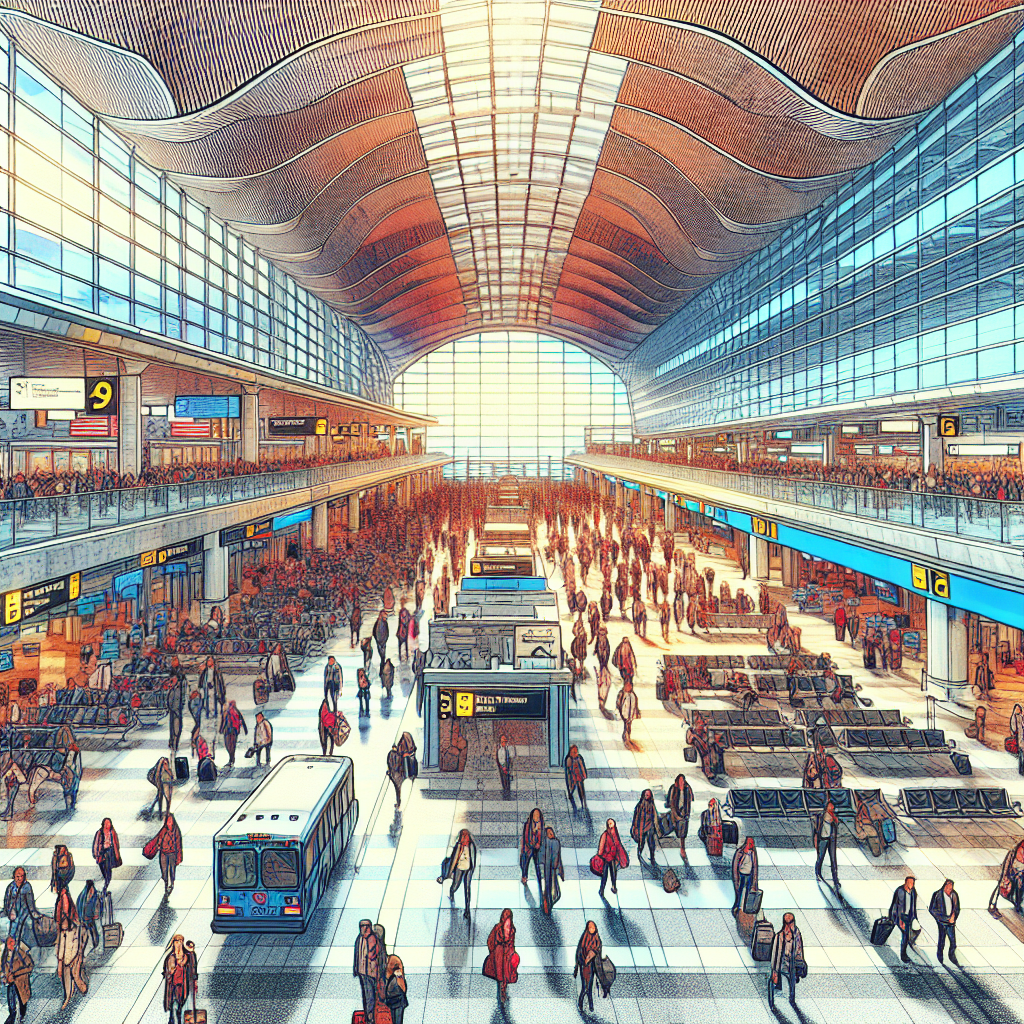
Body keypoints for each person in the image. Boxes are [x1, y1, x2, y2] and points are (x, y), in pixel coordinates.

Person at [54, 887, 86, 1009]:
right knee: (67, 979)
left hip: (73, 957)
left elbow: (76, 946)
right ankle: (68, 997)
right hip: (66, 959)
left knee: (75, 976)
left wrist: (72, 958)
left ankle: (82, 990)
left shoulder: (74, 932)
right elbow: (61, 947)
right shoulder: (63, 934)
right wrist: (60, 961)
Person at [768, 912, 804, 1009]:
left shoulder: (797, 934)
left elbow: (799, 949)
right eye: (788, 923)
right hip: (782, 964)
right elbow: (775, 955)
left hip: (792, 964)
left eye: (791, 922)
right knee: (777, 983)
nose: (790, 925)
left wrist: (800, 963)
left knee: (792, 983)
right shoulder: (779, 936)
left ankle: (791, 999)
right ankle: (773, 1003)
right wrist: (774, 971)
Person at [439, 829, 476, 920]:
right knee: (455, 885)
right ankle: (451, 894)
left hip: (468, 869)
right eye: (463, 836)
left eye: (465, 836)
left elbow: (473, 859)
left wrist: (471, 870)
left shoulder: (471, 846)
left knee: (467, 889)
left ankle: (467, 909)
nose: (464, 838)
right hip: (459, 868)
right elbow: (454, 860)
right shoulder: (458, 846)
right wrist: (448, 874)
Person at [483, 908, 518, 1004]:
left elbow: (512, 943)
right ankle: (502, 989)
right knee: (501, 973)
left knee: (505, 973)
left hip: (506, 953)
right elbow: (490, 940)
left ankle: (503, 989)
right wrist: (494, 951)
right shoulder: (498, 928)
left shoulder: (512, 929)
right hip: (499, 954)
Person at [162, 933, 197, 1024]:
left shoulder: (186, 956)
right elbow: (167, 971)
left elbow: (193, 968)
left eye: (180, 941)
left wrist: (191, 952)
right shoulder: (170, 957)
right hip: (173, 987)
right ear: (173, 943)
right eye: (177, 941)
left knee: (179, 1008)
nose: (179, 944)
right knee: (174, 1007)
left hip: (183, 986)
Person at [353, 919, 383, 1021]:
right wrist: (356, 969)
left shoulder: (372, 939)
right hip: (362, 973)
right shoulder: (359, 939)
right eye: (362, 926)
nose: (364, 929)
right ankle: (369, 1017)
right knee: (366, 996)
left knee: (371, 997)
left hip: (371, 973)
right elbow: (357, 954)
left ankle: (371, 1019)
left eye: (366, 926)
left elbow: (373, 954)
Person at [989, 838, 1024, 917]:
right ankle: (992, 906)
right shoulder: (1019, 849)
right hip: (1014, 867)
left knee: (1020, 887)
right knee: (1002, 882)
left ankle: (1018, 907)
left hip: (1019, 870)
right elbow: (1017, 859)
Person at [3, 871, 39, 948]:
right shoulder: (11, 886)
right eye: (17, 876)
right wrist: (9, 911)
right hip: (13, 911)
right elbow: (7, 901)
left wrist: (33, 913)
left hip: (24, 911)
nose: (19, 878)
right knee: (13, 925)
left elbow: (30, 902)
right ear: (14, 876)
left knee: (20, 925)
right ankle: (11, 944)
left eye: (21, 876)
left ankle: (16, 944)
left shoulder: (27, 886)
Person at [929, 878, 960, 966]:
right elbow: (932, 909)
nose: (949, 891)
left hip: (951, 922)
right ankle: (940, 956)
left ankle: (951, 956)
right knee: (941, 940)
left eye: (951, 889)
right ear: (944, 887)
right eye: (948, 889)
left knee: (953, 942)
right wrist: (943, 919)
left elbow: (957, 908)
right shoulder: (937, 895)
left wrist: (954, 916)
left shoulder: (954, 895)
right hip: (942, 922)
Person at [1, 934, 32, 1024]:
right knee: (11, 1004)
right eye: (10, 942)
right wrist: (4, 976)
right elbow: (3, 967)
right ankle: (12, 1019)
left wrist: (16, 974)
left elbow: (29, 967)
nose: (12, 944)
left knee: (22, 1002)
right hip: (10, 982)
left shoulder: (20, 953)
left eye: (13, 942)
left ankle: (22, 1017)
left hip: (20, 981)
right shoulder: (5, 954)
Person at [889, 875, 919, 963]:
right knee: (905, 935)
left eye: (913, 883)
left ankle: (909, 941)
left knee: (916, 931)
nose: (912, 884)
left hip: (909, 916)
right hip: (900, 916)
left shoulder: (913, 891)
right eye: (910, 883)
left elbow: (914, 905)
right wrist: (898, 920)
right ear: (906, 883)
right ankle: (903, 955)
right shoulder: (900, 891)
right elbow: (895, 905)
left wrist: (914, 917)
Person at [151, 814, 183, 896]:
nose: (169, 823)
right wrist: (158, 846)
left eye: (170, 821)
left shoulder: (176, 831)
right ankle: (166, 882)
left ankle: (171, 883)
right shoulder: (163, 830)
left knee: (172, 869)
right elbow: (159, 839)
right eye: (168, 821)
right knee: (164, 870)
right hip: (164, 853)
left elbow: (179, 845)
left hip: (172, 853)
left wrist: (179, 857)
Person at [574, 921, 602, 1015]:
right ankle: (581, 1004)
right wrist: (581, 962)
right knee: (584, 987)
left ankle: (590, 1005)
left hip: (592, 967)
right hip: (584, 966)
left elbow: (598, 952)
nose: (592, 929)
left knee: (589, 987)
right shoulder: (584, 938)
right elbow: (579, 952)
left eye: (593, 928)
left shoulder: (597, 940)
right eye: (590, 928)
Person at [813, 800, 841, 890]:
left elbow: (835, 823)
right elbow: (827, 821)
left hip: (831, 839)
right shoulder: (824, 816)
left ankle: (835, 879)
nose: (832, 808)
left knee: (833, 859)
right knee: (820, 857)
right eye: (830, 806)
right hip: (823, 839)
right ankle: (818, 873)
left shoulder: (833, 816)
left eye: (832, 807)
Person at [597, 818, 628, 897]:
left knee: (613, 873)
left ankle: (613, 887)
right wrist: (601, 855)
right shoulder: (605, 834)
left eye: (612, 823)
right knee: (605, 875)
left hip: (613, 857)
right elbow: (601, 846)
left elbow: (618, 844)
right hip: (606, 858)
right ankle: (602, 889)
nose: (611, 825)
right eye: (609, 823)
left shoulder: (615, 834)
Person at [92, 818, 121, 893]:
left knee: (108, 870)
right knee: (102, 869)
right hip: (101, 853)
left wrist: (117, 853)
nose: (107, 825)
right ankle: (106, 882)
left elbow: (116, 843)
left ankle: (106, 885)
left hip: (109, 853)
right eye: (105, 823)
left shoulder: (112, 832)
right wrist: (95, 853)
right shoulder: (99, 832)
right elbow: (96, 843)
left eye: (108, 823)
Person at [667, 773, 693, 859]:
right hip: (676, 812)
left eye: (683, 780)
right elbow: (671, 803)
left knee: (683, 832)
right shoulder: (674, 789)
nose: (681, 782)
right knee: (675, 829)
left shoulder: (687, 789)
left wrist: (687, 813)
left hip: (684, 813)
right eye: (680, 780)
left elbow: (689, 801)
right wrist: (675, 815)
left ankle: (682, 848)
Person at [539, 826, 564, 915]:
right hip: (546, 868)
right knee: (547, 888)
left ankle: (549, 903)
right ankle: (547, 904)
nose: (551, 834)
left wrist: (560, 870)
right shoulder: (544, 843)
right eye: (549, 832)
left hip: (553, 869)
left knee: (554, 890)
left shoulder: (556, 842)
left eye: (552, 832)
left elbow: (558, 856)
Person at [731, 837, 759, 914]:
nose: (751, 845)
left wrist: (755, 881)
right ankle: (737, 906)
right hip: (742, 874)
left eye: (752, 843)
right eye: (750, 843)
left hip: (749, 874)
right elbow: (735, 866)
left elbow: (755, 867)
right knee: (739, 891)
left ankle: (746, 907)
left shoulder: (752, 853)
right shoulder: (740, 852)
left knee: (748, 891)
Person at [630, 789, 657, 867]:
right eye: (646, 794)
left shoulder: (651, 805)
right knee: (641, 842)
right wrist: (634, 827)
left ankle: (652, 857)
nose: (647, 796)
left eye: (648, 794)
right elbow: (636, 817)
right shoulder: (639, 805)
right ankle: (639, 854)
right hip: (641, 825)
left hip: (649, 825)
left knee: (651, 842)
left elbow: (654, 816)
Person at [520, 808, 544, 892]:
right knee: (526, 863)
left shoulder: (540, 825)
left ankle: (539, 878)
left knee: (537, 863)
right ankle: (524, 876)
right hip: (529, 847)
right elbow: (526, 836)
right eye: (534, 815)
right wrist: (530, 844)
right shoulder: (528, 824)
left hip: (536, 848)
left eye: (537, 815)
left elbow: (541, 837)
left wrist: (538, 844)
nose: (536, 817)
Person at [218, 700, 247, 769]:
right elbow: (224, 721)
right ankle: (231, 758)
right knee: (230, 745)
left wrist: (221, 729)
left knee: (230, 745)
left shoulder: (235, 712)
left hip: (232, 731)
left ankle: (231, 759)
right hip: (230, 731)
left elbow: (241, 720)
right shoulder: (228, 712)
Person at [75, 881, 101, 954]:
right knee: (91, 933)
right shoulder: (86, 895)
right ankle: (93, 946)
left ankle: (95, 946)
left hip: (90, 918)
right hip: (87, 918)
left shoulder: (87, 894)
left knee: (94, 932)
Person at [384, 954, 408, 1024]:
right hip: (391, 1000)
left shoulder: (394, 961)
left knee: (397, 1021)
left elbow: (402, 985)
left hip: (398, 999)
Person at [616, 679, 640, 745]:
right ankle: (625, 737)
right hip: (624, 713)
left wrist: (637, 712)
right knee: (626, 725)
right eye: (627, 685)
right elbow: (618, 703)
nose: (629, 687)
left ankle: (628, 736)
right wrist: (619, 711)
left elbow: (635, 703)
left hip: (631, 713)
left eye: (630, 686)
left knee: (629, 725)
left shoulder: (632, 694)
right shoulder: (622, 694)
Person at [564, 744, 588, 810]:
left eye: (576, 752)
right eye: (573, 752)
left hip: (579, 776)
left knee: (581, 788)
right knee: (573, 788)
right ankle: (571, 795)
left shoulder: (579, 758)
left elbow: (582, 766)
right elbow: (568, 770)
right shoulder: (569, 759)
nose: (575, 753)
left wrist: (584, 774)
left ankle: (583, 802)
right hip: (573, 776)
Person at [386, 744, 405, 809]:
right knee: (398, 789)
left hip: (394, 774)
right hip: (398, 774)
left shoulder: (391, 753)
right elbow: (400, 764)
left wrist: (390, 770)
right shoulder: (399, 754)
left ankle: (398, 803)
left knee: (397, 789)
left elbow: (389, 762)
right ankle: (398, 803)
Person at [496, 734, 514, 798]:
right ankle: (505, 792)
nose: (504, 742)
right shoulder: (500, 749)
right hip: (503, 767)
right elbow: (500, 758)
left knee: (508, 779)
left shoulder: (509, 748)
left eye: (505, 740)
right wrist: (503, 766)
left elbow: (512, 756)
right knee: (504, 779)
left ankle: (508, 792)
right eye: (502, 740)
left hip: (508, 765)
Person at [1010, 703, 1024, 777]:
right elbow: (1013, 727)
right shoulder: (1017, 717)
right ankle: (1022, 770)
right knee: (1021, 754)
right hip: (1021, 740)